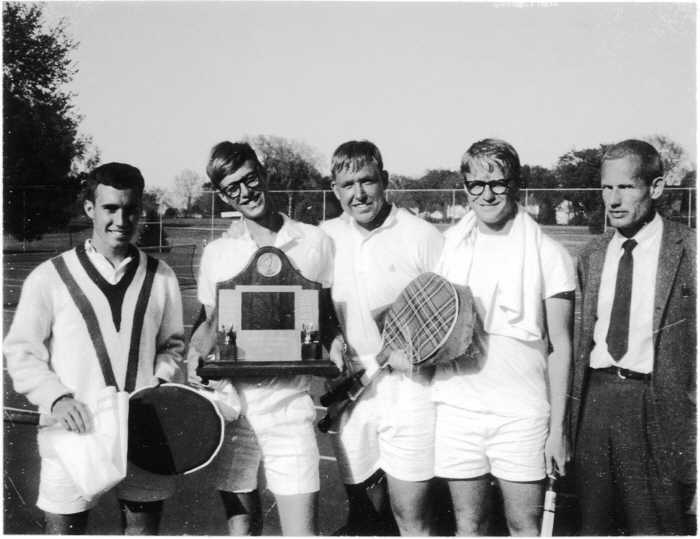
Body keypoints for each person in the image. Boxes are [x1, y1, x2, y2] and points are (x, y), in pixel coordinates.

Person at [4, 162, 186, 534]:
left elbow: (173, 347)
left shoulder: (161, 276)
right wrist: (56, 398)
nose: (122, 219)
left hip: (143, 432)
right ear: (90, 209)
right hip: (73, 434)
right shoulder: (50, 277)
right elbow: (21, 351)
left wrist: (160, 382)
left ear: (141, 210)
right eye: (110, 208)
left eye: (130, 208)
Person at [187, 141, 337, 536]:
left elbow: (327, 318)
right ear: (221, 195)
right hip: (233, 412)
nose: (245, 192)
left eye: (250, 179)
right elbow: (203, 331)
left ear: (264, 173)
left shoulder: (315, 241)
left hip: (290, 408)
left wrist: (337, 345)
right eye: (231, 187)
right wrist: (194, 356)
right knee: (243, 532)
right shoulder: (218, 253)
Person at [432, 138, 575, 535]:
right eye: (476, 184)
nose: (487, 193)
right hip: (458, 408)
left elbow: (561, 347)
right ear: (465, 188)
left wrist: (558, 430)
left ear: (516, 184)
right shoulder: (447, 249)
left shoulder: (550, 254)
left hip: (522, 415)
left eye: (498, 182)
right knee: (468, 525)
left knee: (523, 527)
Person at [570, 139, 696, 535]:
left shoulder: (689, 249)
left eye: (626, 187)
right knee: (593, 526)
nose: (613, 199)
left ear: (655, 187)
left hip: (658, 408)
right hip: (596, 403)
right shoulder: (592, 254)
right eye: (607, 188)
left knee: (655, 526)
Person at [320, 140, 444, 536]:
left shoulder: (421, 235)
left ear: (385, 180)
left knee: (412, 517)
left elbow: (448, 319)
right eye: (348, 184)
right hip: (351, 388)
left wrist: (414, 354)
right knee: (363, 514)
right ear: (335, 189)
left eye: (367, 181)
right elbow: (316, 306)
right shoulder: (323, 238)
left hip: (409, 388)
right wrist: (332, 338)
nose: (359, 194)